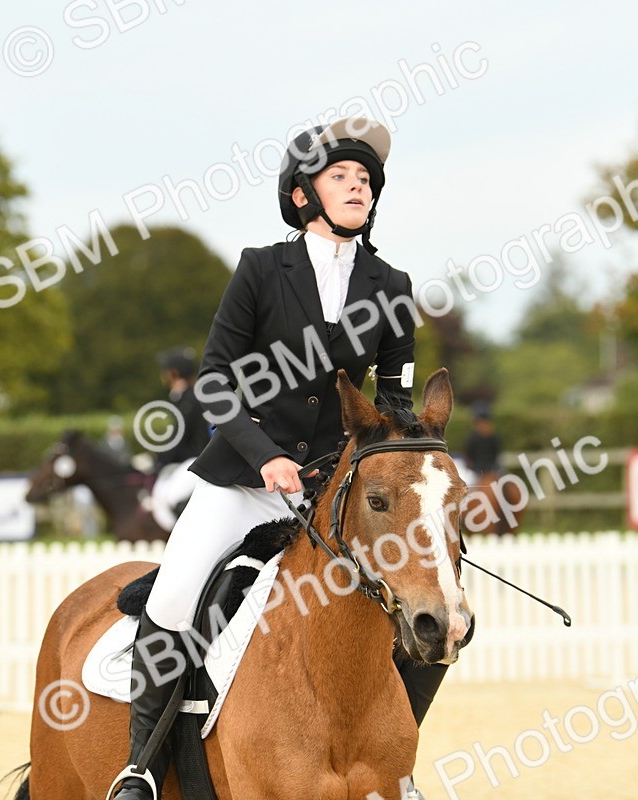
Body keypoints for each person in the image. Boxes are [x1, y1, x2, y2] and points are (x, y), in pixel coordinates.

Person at [112, 116, 441, 800]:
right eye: (341, 178)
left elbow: (395, 399)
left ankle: (390, 762)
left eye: (366, 180)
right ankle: (143, 764)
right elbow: (214, 378)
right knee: (173, 596)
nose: (359, 187)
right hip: (244, 479)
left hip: (337, 489)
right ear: (302, 196)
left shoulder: (392, 282)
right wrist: (263, 456)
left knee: (433, 608)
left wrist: (408, 458)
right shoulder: (262, 268)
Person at [148, 348, 210, 531]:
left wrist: (158, 464)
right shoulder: (183, 398)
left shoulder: (188, 402)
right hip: (187, 460)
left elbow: (177, 441)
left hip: (194, 460)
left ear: (172, 373)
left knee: (169, 498)